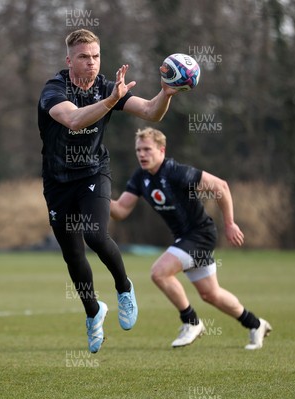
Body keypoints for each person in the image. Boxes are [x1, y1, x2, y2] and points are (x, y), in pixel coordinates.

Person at [38, 29, 181, 353]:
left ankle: (124, 287)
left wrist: (166, 94)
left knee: (95, 235)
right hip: (57, 181)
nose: (91, 63)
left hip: (93, 172)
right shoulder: (55, 89)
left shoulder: (106, 87)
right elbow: (73, 120)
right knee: (73, 256)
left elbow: (149, 112)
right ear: (69, 60)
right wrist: (111, 100)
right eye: (83, 57)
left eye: (96, 56)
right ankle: (93, 312)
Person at [110, 127, 272, 349]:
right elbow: (120, 210)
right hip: (185, 239)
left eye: (147, 149)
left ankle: (191, 321)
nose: (141, 154)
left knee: (159, 273)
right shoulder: (140, 177)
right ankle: (255, 324)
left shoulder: (176, 171)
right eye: (138, 150)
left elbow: (220, 186)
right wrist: (93, 199)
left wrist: (229, 223)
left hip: (200, 235)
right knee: (210, 294)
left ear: (161, 150)